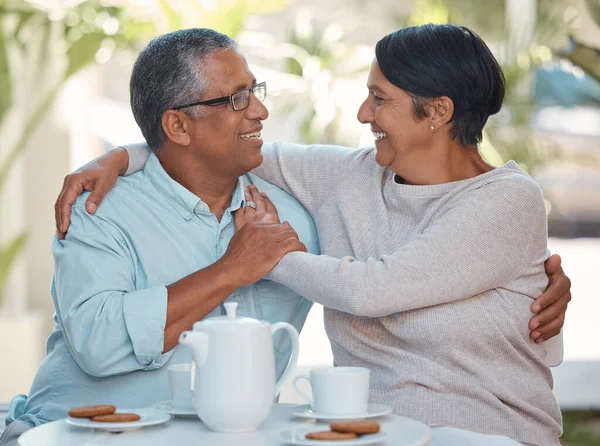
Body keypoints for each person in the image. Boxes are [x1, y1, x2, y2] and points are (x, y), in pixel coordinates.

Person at [52, 26, 573, 445]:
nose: (362, 114)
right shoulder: (345, 179)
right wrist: (119, 156)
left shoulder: (504, 201)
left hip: (486, 433)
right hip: (366, 432)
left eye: (379, 99)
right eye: (239, 97)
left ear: (436, 112)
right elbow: (206, 148)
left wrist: (264, 255)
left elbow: (373, 289)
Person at [0, 29, 319, 446]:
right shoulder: (99, 210)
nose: (259, 110)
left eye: (255, 90)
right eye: (237, 97)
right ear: (178, 125)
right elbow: (99, 342)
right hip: (75, 436)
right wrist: (232, 269)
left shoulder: (294, 215)